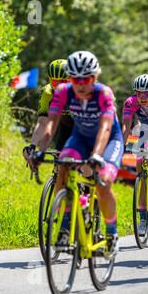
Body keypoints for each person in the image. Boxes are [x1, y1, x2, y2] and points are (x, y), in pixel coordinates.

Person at [31, 51, 124, 259]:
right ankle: (65, 228)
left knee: (104, 182)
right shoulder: (62, 91)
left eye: (87, 79)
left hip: (108, 139)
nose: (80, 85)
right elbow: (51, 124)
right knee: (63, 165)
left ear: (95, 77)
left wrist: (97, 155)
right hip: (81, 136)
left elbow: (106, 128)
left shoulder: (104, 93)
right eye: (75, 79)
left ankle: (111, 233)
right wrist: (40, 151)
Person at [121, 74, 148, 235]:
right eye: (139, 94)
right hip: (145, 130)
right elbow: (126, 127)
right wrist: (121, 146)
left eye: (146, 94)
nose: (143, 97)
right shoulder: (130, 102)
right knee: (140, 164)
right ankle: (143, 218)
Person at [23, 59, 72, 162]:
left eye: (63, 82)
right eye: (54, 82)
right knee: (59, 163)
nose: (59, 86)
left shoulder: (78, 91)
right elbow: (42, 122)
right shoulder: (47, 92)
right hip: (66, 126)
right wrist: (33, 145)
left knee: (87, 169)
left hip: (85, 127)